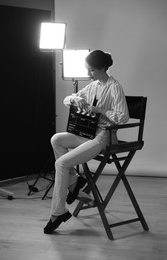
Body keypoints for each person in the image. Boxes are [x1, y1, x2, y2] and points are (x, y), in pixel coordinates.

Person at [44, 50, 129, 234]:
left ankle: (58, 212)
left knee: (61, 163)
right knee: (56, 139)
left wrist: (99, 110)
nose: (88, 74)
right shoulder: (94, 85)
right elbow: (68, 99)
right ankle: (74, 182)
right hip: (89, 133)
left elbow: (123, 117)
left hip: (105, 136)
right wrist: (77, 99)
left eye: (91, 70)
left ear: (101, 68)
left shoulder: (115, 87)